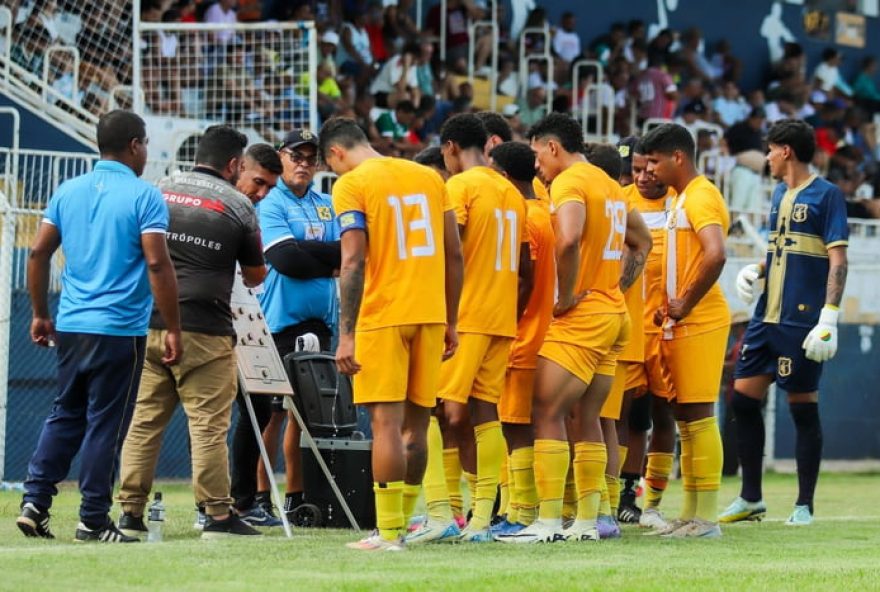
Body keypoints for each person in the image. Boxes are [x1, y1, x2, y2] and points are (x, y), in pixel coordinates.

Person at [17, 110, 181, 543]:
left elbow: (37, 255)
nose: (146, 152)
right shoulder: (146, 196)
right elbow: (156, 262)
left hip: (71, 324)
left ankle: (35, 502)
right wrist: (173, 326)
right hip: (120, 329)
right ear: (134, 145)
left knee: (65, 413)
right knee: (105, 424)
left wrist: (39, 313)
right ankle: (92, 519)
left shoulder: (67, 191)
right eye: (145, 144)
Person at [500, 114, 649, 544]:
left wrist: (566, 295)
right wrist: (617, 286)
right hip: (612, 314)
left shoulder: (569, 183)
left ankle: (546, 522)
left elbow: (567, 239)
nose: (537, 167)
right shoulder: (610, 184)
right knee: (587, 416)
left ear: (551, 147)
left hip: (581, 318)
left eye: (536, 155)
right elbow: (642, 242)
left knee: (545, 411)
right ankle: (586, 521)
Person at [319, 118, 463, 551]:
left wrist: (346, 335)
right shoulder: (430, 178)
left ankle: (389, 533)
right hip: (430, 313)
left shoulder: (351, 184)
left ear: (336, 154)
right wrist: (451, 320)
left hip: (384, 315)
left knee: (385, 424)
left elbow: (353, 261)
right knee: (416, 428)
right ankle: (403, 524)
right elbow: (454, 253)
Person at [117, 125, 266, 540]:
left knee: (144, 421)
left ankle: (129, 514)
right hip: (206, 330)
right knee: (207, 426)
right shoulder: (238, 205)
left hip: (148, 323)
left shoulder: (158, 190)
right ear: (234, 164)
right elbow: (255, 276)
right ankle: (217, 516)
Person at [721, 119, 848, 527]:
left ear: (786, 151)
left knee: (801, 409)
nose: (768, 158)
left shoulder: (827, 196)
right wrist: (758, 271)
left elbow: (838, 261)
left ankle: (804, 505)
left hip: (801, 322)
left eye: (771, 150)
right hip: (765, 318)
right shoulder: (778, 193)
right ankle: (751, 498)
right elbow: (784, 251)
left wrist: (830, 315)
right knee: (742, 399)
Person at [409, 113, 529, 544]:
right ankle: (480, 519)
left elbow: (448, 250)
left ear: (451, 148)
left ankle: (440, 511)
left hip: (467, 316)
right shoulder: (511, 193)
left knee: (427, 407)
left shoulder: (458, 186)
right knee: (484, 414)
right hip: (500, 318)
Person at [228, 129, 340, 526]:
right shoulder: (269, 201)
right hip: (275, 321)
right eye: (297, 155)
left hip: (320, 322)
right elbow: (286, 259)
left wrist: (311, 254)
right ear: (283, 156)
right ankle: (259, 495)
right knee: (268, 414)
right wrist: (328, 260)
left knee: (308, 416)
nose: (304, 163)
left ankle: (296, 496)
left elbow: (350, 250)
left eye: (311, 157)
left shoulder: (327, 203)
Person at [641, 123, 730, 539]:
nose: (651, 170)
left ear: (678, 157)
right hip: (681, 319)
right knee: (685, 419)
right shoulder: (679, 198)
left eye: (656, 161)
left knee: (698, 416)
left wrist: (685, 303)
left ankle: (707, 518)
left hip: (701, 318)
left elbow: (716, 254)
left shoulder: (702, 195)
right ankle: (692, 514)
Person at [581, 142, 652, 540]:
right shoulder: (618, 203)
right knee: (606, 419)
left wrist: (612, 290)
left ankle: (613, 501)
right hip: (620, 325)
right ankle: (608, 501)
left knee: (609, 419)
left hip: (611, 324)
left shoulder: (611, 204)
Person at [486, 141, 556, 538]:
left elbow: (522, 281)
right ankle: (517, 507)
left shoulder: (523, 219)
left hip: (524, 333)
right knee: (521, 425)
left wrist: (505, 321)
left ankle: (523, 510)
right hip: (546, 331)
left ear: (505, 176)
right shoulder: (546, 213)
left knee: (515, 428)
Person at [617, 138, 678, 531]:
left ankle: (651, 500)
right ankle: (623, 492)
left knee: (661, 415)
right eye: (634, 170)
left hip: (667, 328)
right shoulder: (620, 201)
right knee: (624, 414)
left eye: (646, 168)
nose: (641, 177)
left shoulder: (679, 205)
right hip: (627, 328)